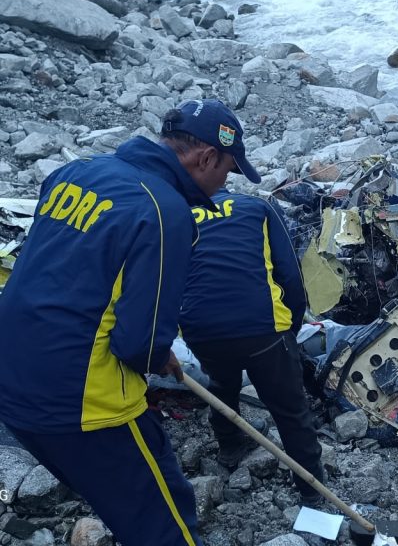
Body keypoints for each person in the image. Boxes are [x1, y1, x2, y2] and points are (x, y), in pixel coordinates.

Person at [0, 99, 261, 546]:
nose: (223, 186)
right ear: (207, 157)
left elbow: (64, 274)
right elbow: (137, 342)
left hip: (12, 382)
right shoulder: (163, 211)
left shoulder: (74, 172)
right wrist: (158, 353)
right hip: (82, 401)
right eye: (229, 172)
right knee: (163, 519)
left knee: (109, 493)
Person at [178, 187, 325, 507]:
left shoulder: (177, 215)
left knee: (221, 381)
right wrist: (291, 329)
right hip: (263, 330)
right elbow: (290, 272)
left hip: (202, 332)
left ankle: (230, 446)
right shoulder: (256, 206)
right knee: (290, 407)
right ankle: (311, 486)